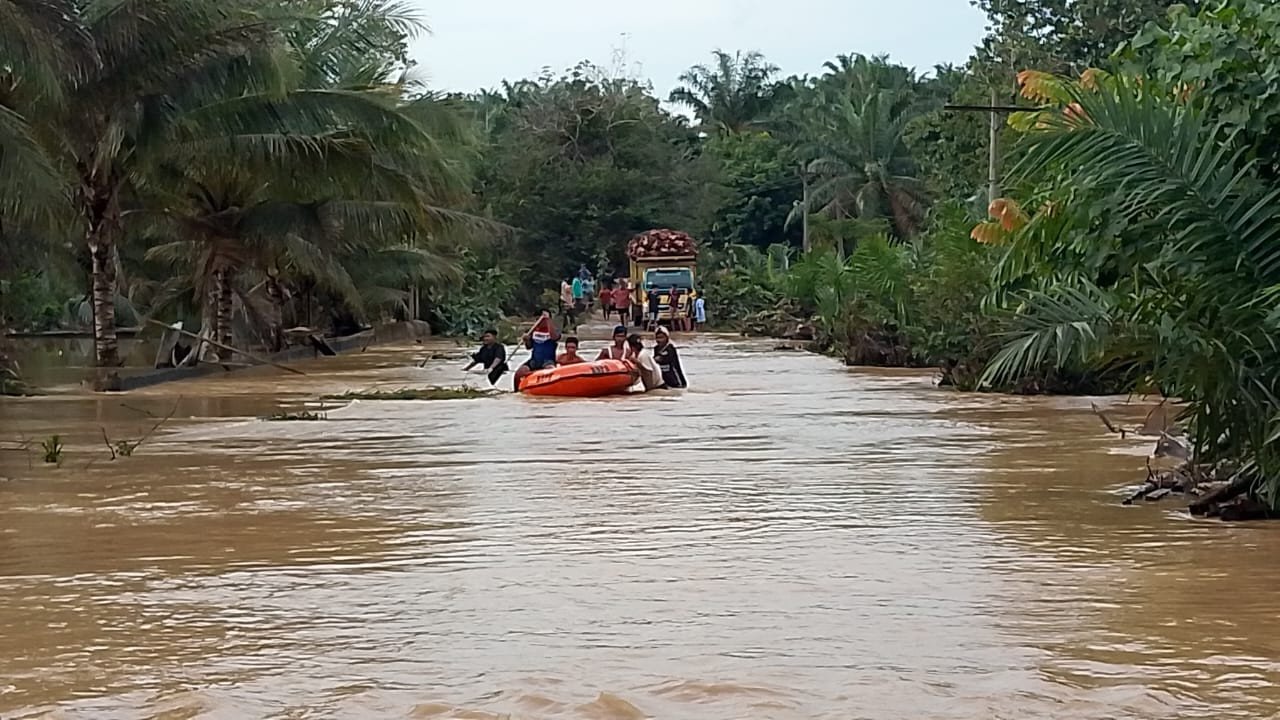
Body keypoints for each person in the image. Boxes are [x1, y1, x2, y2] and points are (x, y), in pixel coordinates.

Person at [513, 311, 561, 390]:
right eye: (536, 319)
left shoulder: (554, 330)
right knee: (519, 373)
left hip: (548, 360)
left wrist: (548, 320)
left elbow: (554, 337)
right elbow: (529, 347)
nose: (538, 321)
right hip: (534, 360)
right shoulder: (533, 331)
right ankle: (516, 391)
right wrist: (526, 340)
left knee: (550, 371)